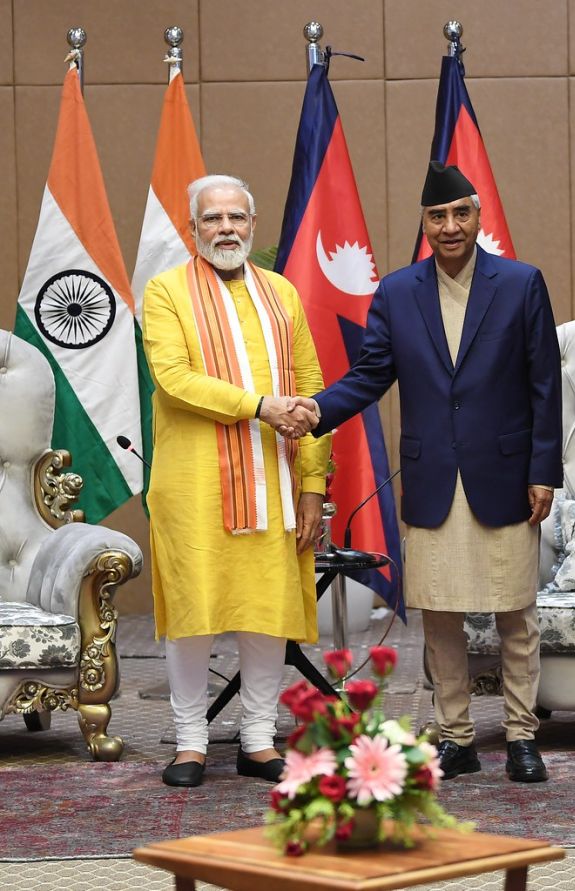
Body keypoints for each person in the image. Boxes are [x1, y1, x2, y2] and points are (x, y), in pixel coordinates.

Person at [288, 161, 563, 783]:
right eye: (437, 216)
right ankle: (459, 737)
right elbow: (370, 373)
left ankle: (521, 735)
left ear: (478, 216)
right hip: (434, 477)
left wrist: (544, 468)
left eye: (460, 213)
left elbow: (545, 383)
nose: (449, 226)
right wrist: (316, 411)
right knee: (439, 616)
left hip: (506, 475)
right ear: (424, 223)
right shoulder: (398, 292)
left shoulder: (522, 284)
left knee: (515, 612)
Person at [142, 174, 329, 787]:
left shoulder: (282, 294)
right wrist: (260, 407)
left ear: (252, 225)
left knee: (265, 611)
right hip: (194, 485)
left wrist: (312, 487)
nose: (226, 229)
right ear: (193, 229)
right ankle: (191, 743)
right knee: (194, 611)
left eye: (237, 218)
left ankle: (256, 739)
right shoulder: (165, 291)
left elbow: (310, 390)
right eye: (213, 219)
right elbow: (173, 377)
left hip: (273, 482)